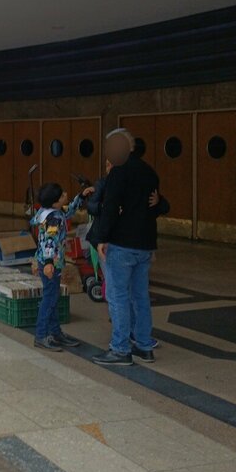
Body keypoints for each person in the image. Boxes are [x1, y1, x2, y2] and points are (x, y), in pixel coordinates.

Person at [93, 128, 170, 366]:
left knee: (118, 297)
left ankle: (120, 349)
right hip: (145, 244)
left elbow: (110, 207)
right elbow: (156, 206)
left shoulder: (119, 172)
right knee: (140, 297)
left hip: (122, 244)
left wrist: (100, 238)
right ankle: (144, 346)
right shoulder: (149, 172)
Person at [31, 181, 94, 351]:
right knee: (49, 300)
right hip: (50, 264)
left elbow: (69, 211)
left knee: (52, 298)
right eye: (62, 194)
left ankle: (55, 332)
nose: (65, 194)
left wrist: (81, 197)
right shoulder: (53, 219)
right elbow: (49, 241)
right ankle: (41, 335)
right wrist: (49, 263)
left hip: (47, 261)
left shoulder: (50, 212)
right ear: (55, 201)